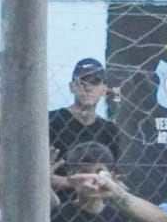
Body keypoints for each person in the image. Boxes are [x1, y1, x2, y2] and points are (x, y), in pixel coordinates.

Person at [49, 58, 120, 200]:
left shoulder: (110, 130)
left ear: (104, 89)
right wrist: (84, 183)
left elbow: (114, 177)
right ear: (71, 87)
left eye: (95, 82)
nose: (88, 87)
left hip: (96, 205)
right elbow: (38, 177)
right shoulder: (51, 121)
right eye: (82, 82)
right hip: (57, 205)